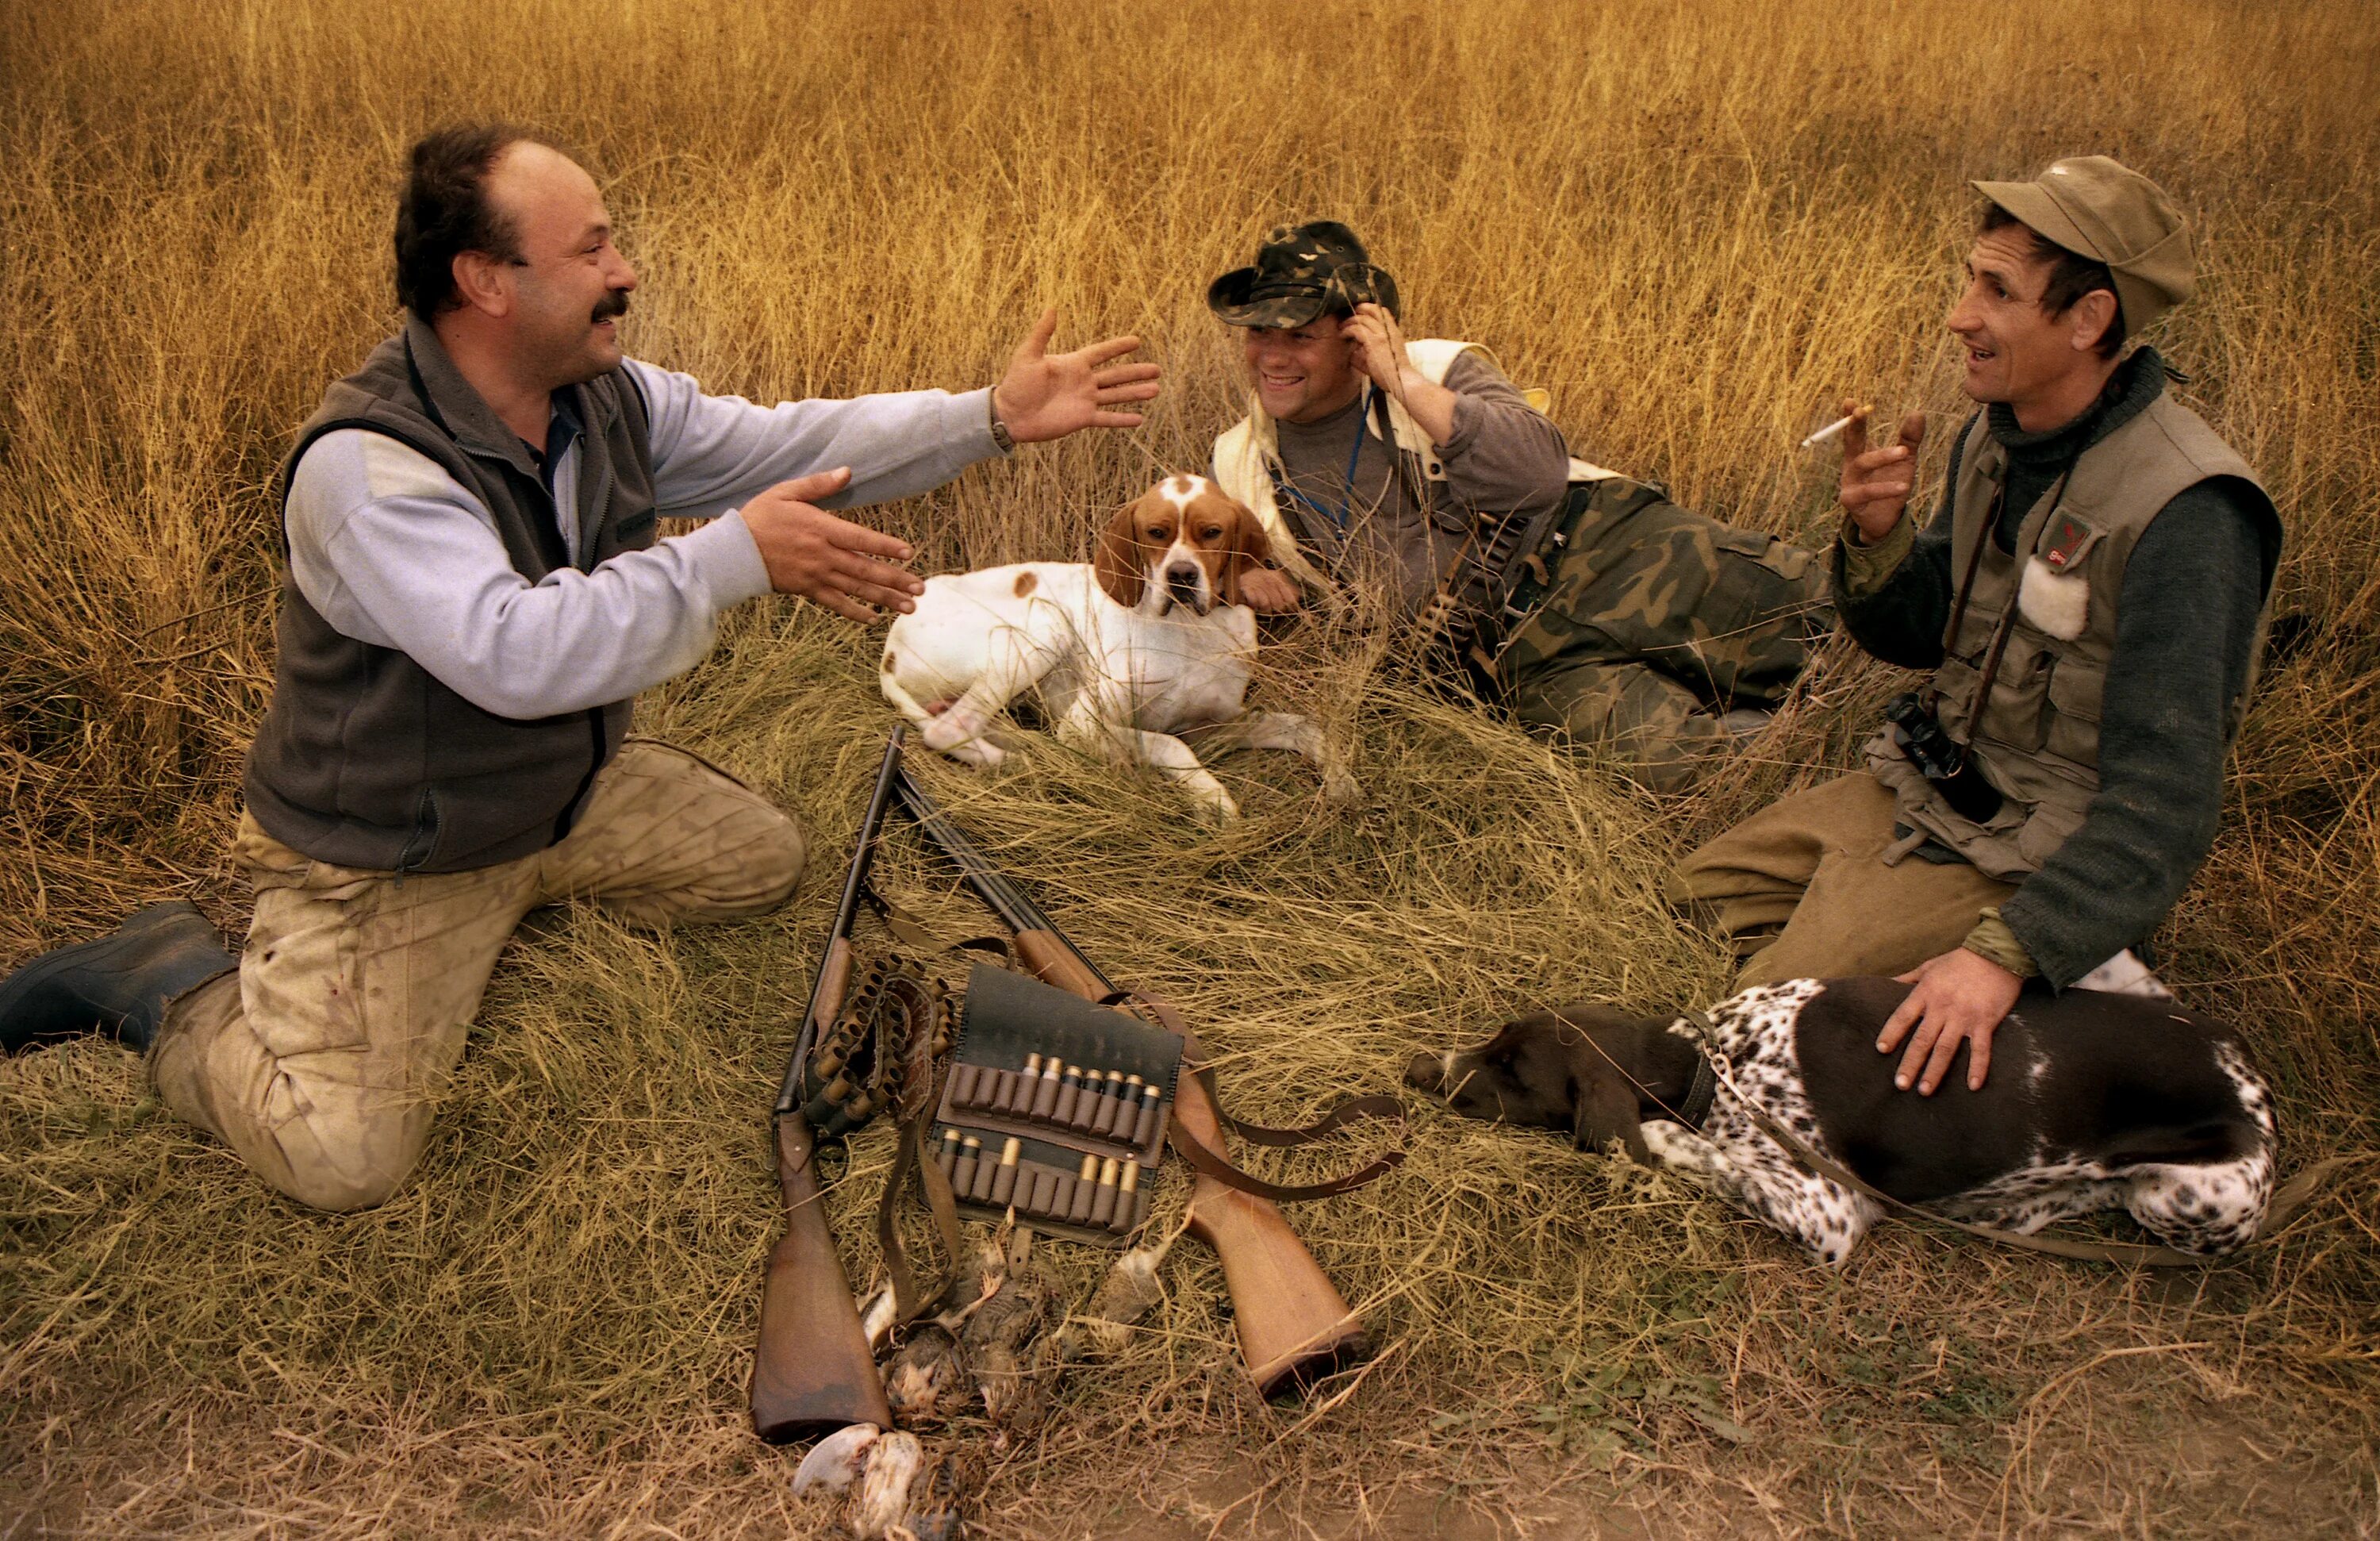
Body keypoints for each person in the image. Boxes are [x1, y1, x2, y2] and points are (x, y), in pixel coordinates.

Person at [0, 124, 1159, 1211]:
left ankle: (536, 869)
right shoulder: (366, 469)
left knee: (764, 861)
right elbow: (514, 651)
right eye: (593, 246)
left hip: (554, 794)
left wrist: (990, 418)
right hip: (405, 846)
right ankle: (167, 982)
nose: (627, 269)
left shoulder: (605, 397)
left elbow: (793, 443)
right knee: (343, 1159)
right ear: (485, 282)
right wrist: (730, 558)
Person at [1669, 156, 2282, 1097]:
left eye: (1997, 290)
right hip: (1923, 790)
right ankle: (1888, 944)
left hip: (2043, 855)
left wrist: (2005, 954)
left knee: (1752, 1026)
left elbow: (2168, 804)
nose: (1961, 314)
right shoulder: (1993, 439)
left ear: (2088, 320)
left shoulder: (2191, 514)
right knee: (1679, 908)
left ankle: (2068, 977)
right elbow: (1923, 636)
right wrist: (1878, 540)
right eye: (1970, 279)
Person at [1204, 221, 1832, 791]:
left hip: (1603, 548)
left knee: (1826, 618)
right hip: (1514, 659)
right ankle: (1827, 748)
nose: (1273, 355)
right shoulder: (1238, 463)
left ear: (1355, 336)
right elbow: (1215, 578)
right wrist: (1242, 574)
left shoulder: (1436, 367)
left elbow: (1537, 478)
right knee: (1690, 771)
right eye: (1259, 331)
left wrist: (1401, 380)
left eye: (1301, 334)